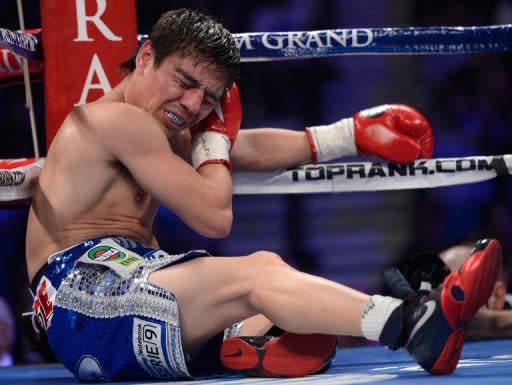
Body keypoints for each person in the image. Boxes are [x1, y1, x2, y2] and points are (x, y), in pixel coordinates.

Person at [25, 8, 502, 382]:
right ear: (146, 57)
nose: (194, 106)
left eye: (211, 99)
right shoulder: (115, 120)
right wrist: (212, 138)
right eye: (185, 83)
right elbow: (214, 217)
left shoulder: (158, 129)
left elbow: (245, 145)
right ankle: (414, 324)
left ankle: (238, 351)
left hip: (116, 300)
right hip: (80, 293)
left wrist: (348, 136)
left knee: (297, 331)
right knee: (261, 271)